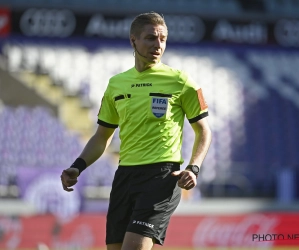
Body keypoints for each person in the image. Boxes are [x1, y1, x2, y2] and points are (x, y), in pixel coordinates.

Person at [61, 12, 212, 250]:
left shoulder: (181, 81)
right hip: (125, 177)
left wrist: (194, 168)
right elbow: (102, 136)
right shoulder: (116, 84)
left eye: (162, 39)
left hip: (161, 177)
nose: (158, 45)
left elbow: (203, 131)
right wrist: (77, 166)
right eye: (151, 38)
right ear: (133, 40)